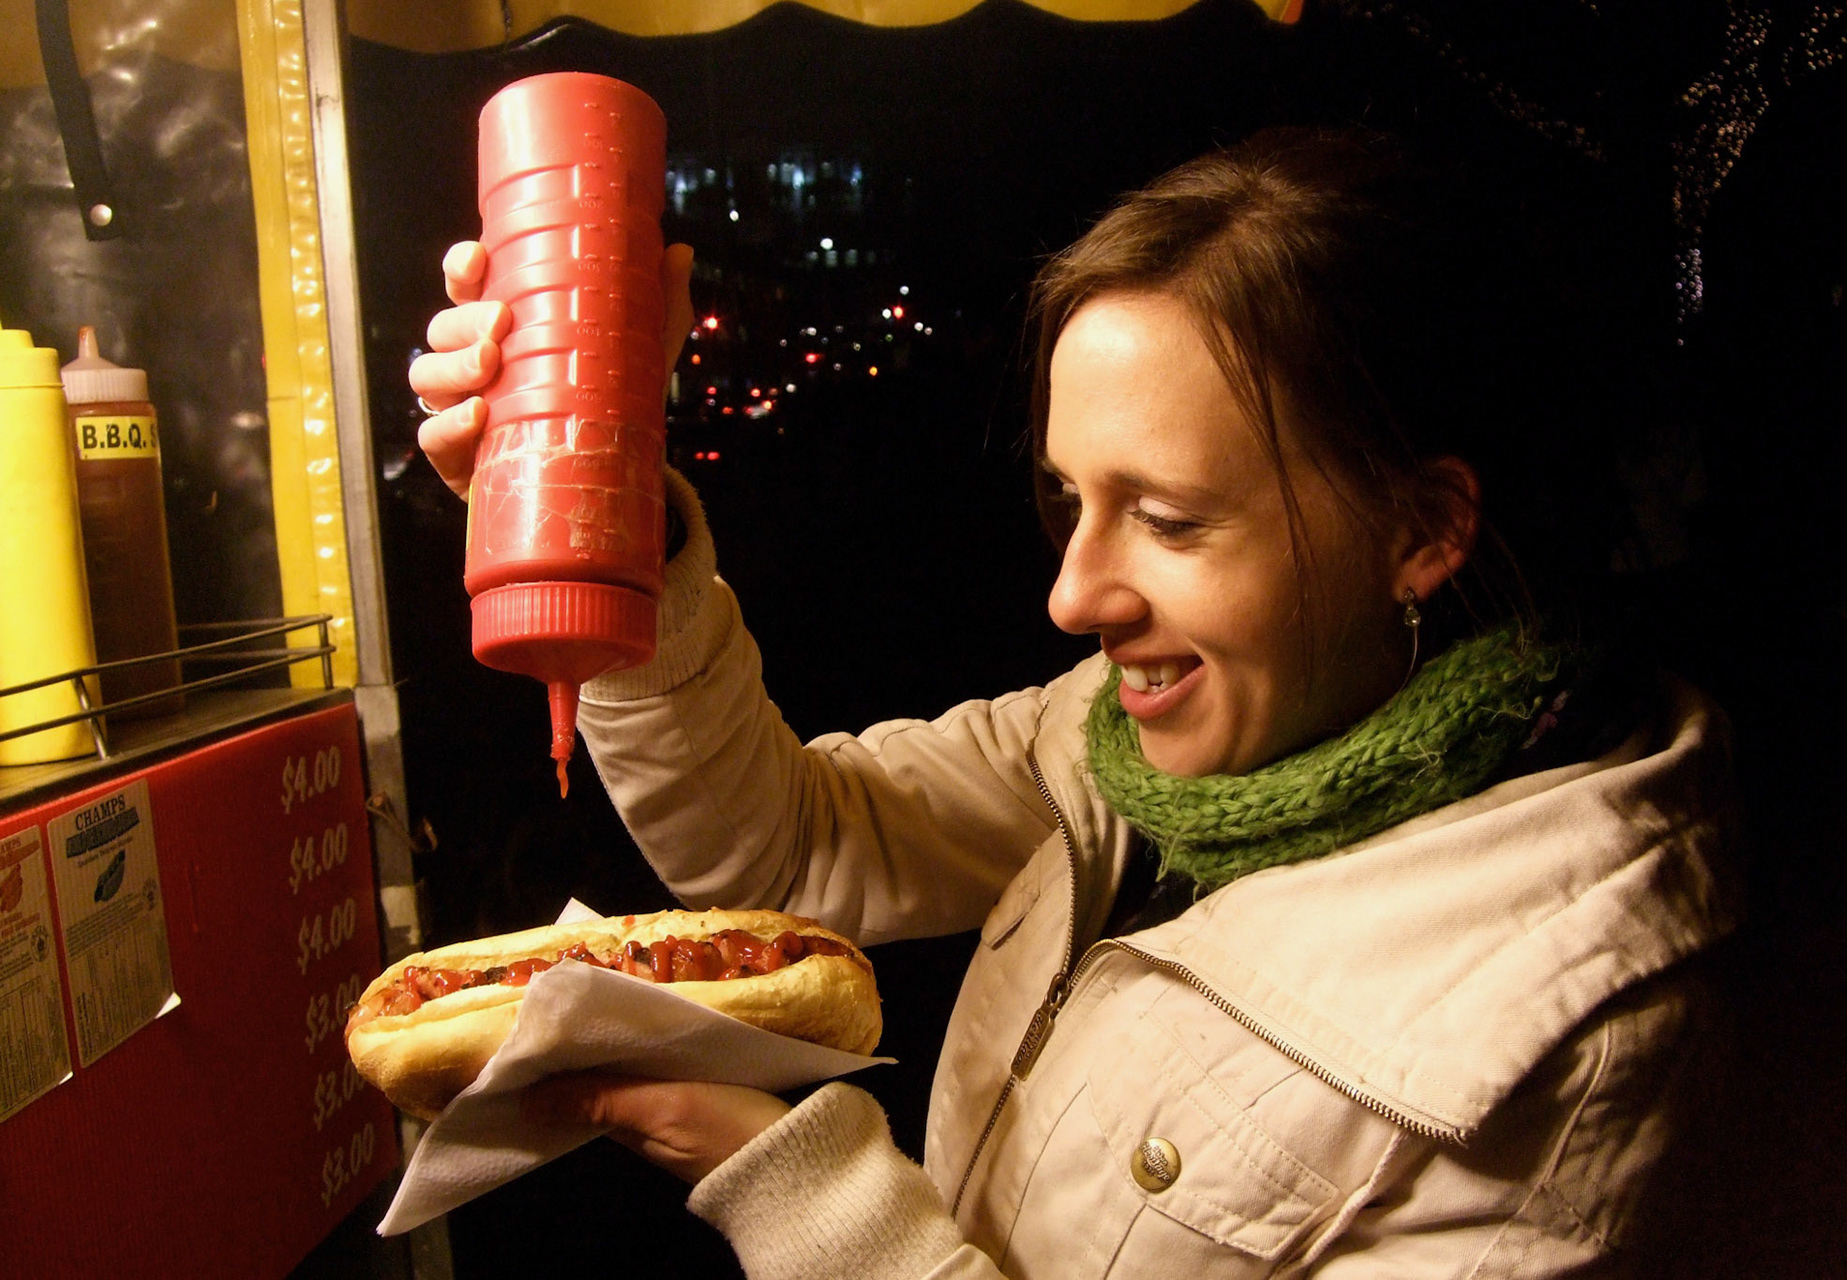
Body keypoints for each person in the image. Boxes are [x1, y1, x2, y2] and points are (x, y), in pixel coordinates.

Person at [411, 128, 1736, 1278]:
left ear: (1422, 530)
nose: (1072, 596)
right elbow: (803, 842)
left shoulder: (1577, 1035)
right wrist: (613, 530)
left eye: (1167, 519)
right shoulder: (1112, 738)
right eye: (1067, 500)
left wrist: (805, 1193)